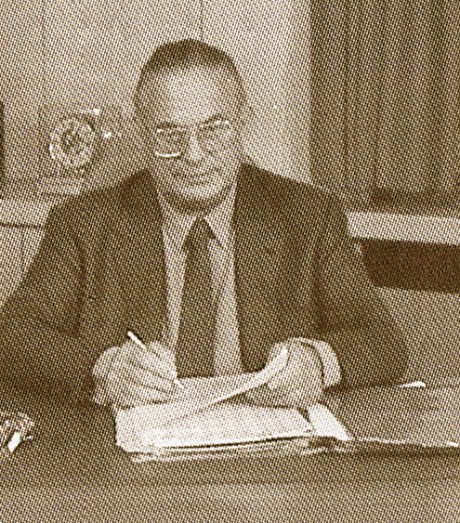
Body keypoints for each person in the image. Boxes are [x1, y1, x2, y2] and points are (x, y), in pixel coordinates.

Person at [0, 39, 407, 408]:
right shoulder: (82, 225)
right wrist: (100, 368)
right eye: (169, 134)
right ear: (141, 134)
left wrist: (318, 363)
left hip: (271, 455)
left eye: (214, 129)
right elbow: (12, 337)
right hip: (135, 456)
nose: (193, 155)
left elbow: (384, 342)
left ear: (244, 123)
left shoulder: (309, 217)